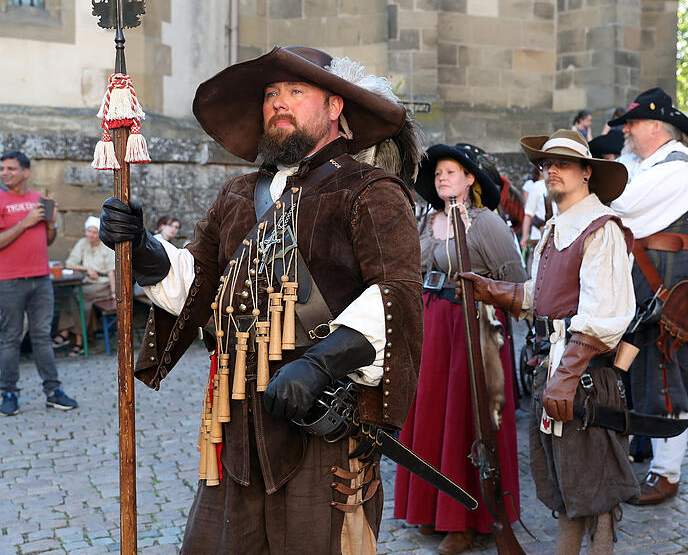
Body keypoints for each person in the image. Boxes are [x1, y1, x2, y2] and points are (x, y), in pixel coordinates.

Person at [99, 46, 424, 554]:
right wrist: (142, 248)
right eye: (272, 93)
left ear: (335, 106)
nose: (278, 102)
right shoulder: (234, 195)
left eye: (296, 91)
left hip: (322, 419)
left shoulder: (369, 191)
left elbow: (396, 294)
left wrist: (320, 363)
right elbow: (201, 284)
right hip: (236, 419)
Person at [461, 130, 637, 555]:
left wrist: (568, 374)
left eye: (563, 163)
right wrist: (491, 289)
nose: (551, 170)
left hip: (586, 378)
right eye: (545, 164)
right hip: (557, 372)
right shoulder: (555, 228)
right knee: (565, 491)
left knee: (595, 496)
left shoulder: (601, 230)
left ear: (587, 173)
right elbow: (539, 297)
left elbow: (605, 314)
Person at [394, 143, 526, 555]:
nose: (443, 178)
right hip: (432, 327)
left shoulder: (485, 224)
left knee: (467, 419)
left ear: (470, 179)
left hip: (473, 330)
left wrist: (484, 295)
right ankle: (432, 508)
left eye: (451, 172)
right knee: (433, 415)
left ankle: (469, 520)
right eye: (437, 174)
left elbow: (517, 285)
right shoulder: (424, 221)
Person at [606, 87, 688, 505]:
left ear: (653, 126)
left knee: (668, 376)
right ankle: (650, 462)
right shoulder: (646, 163)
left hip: (671, 290)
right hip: (648, 287)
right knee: (645, 372)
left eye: (631, 123)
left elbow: (624, 207)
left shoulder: (682, 168)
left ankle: (667, 473)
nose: (626, 131)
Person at [0, 151, 78, 416]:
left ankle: (53, 392)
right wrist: (26, 222)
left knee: (42, 337)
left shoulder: (38, 200)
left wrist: (52, 223)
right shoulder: (1, 199)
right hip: (9, 280)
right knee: (11, 339)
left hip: (41, 279)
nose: (5, 172)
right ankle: (8, 393)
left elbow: (47, 240)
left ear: (25, 172)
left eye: (11, 168)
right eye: (2, 169)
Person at [53, 216, 116, 356]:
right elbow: (69, 263)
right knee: (75, 298)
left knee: (78, 297)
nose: (91, 235)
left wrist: (114, 294)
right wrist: (86, 269)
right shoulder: (83, 243)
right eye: (89, 231)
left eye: (94, 232)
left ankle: (71, 336)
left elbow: (111, 273)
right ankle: (79, 340)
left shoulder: (107, 247)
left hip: (104, 283)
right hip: (88, 282)